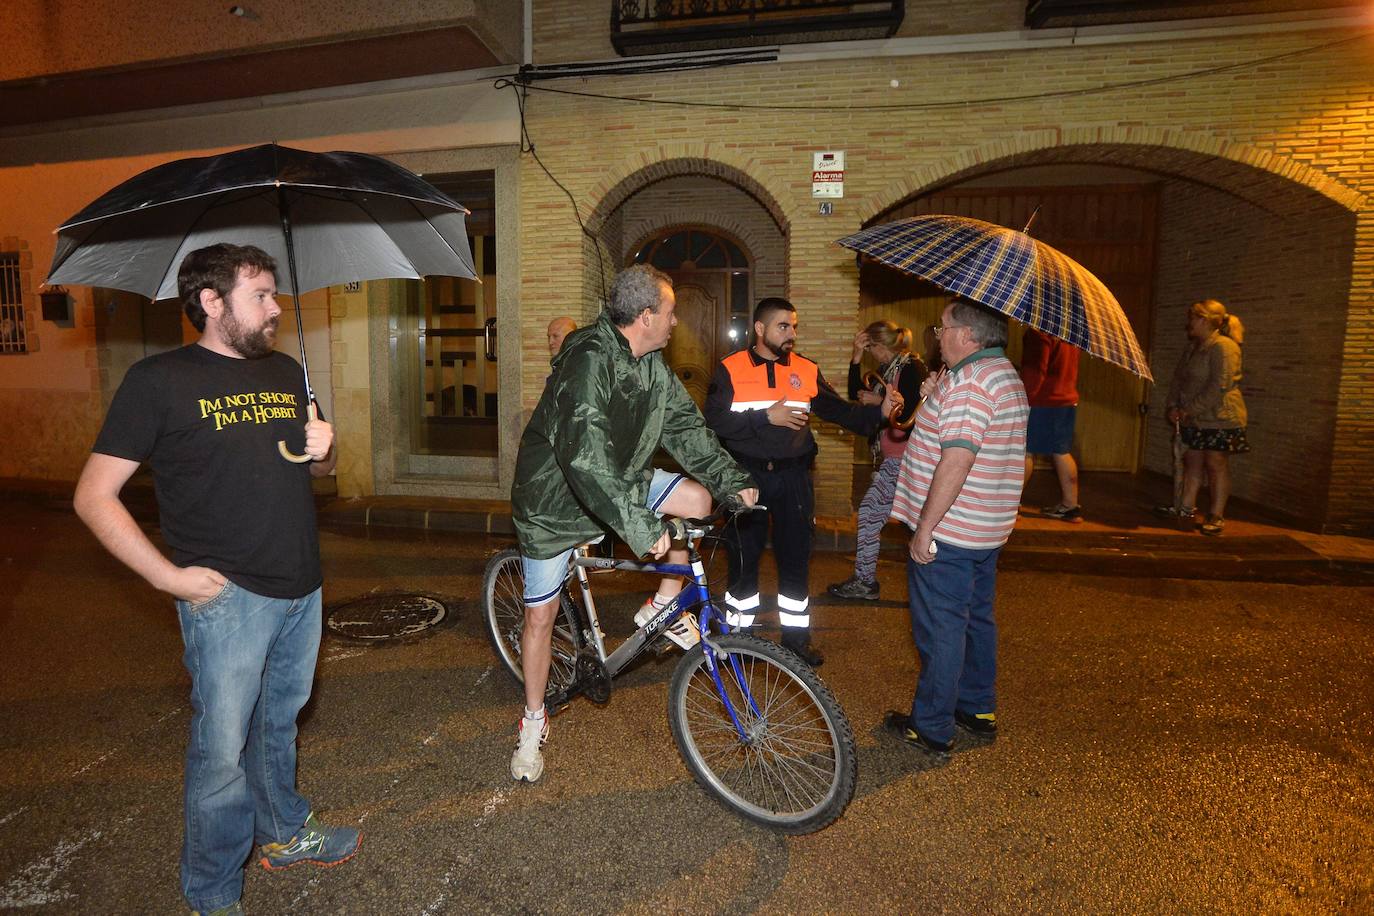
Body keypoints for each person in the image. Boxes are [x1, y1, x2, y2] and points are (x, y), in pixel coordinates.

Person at [72, 243, 358, 915]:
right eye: (260, 295)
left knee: (280, 725)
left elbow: (308, 469)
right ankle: (211, 892)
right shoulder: (158, 381)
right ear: (210, 301)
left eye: (273, 294)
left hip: (302, 584)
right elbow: (93, 496)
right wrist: (169, 577)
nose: (274, 307)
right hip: (228, 600)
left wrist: (325, 449)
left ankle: (285, 831)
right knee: (221, 755)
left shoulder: (287, 372)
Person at [510, 264, 757, 783]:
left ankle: (662, 604)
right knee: (540, 617)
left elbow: (685, 425)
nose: (675, 323)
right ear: (646, 316)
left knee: (695, 498)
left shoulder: (650, 364)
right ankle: (533, 719)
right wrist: (643, 529)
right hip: (555, 500)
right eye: (670, 313)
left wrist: (730, 478)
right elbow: (584, 454)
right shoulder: (586, 360)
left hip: (619, 475)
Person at [704, 297, 902, 667]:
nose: (791, 333)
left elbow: (841, 412)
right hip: (746, 475)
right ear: (760, 329)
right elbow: (713, 422)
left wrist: (881, 413)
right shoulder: (730, 368)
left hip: (794, 478)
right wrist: (767, 416)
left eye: (794, 326)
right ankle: (740, 639)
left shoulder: (806, 369)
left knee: (795, 558)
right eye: (783, 326)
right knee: (743, 558)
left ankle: (796, 641)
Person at [885, 298, 1029, 760]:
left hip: (952, 530)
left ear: (967, 335)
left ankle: (931, 726)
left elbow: (959, 458)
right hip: (986, 529)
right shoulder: (1001, 374)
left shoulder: (970, 385)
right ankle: (976, 708)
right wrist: (934, 393)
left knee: (941, 629)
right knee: (977, 619)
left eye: (942, 328)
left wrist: (925, 527)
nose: (936, 335)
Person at [827, 319, 926, 600]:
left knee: (871, 514)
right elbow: (857, 394)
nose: (871, 354)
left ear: (882, 346)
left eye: (871, 348)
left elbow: (910, 412)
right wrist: (855, 358)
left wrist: (877, 401)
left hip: (906, 457)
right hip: (895, 457)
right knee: (914, 520)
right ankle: (869, 580)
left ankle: (866, 581)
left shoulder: (911, 367)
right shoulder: (889, 368)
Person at [1153, 299, 1248, 536]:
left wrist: (1189, 410)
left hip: (1219, 417)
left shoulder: (1223, 347)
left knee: (1215, 464)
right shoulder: (1194, 347)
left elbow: (1219, 385)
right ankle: (1185, 507)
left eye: (1192, 318)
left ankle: (1216, 514)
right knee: (1192, 461)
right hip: (1193, 417)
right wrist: (1173, 405)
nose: (1189, 324)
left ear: (1204, 320)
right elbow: (1179, 379)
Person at [1020, 327, 1082, 522]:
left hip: (1041, 400)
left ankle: (1009, 505)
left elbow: (1036, 370)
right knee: (1061, 451)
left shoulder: (1039, 332)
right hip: (1066, 399)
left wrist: (1024, 399)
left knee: (1026, 452)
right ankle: (1070, 505)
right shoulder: (1069, 331)